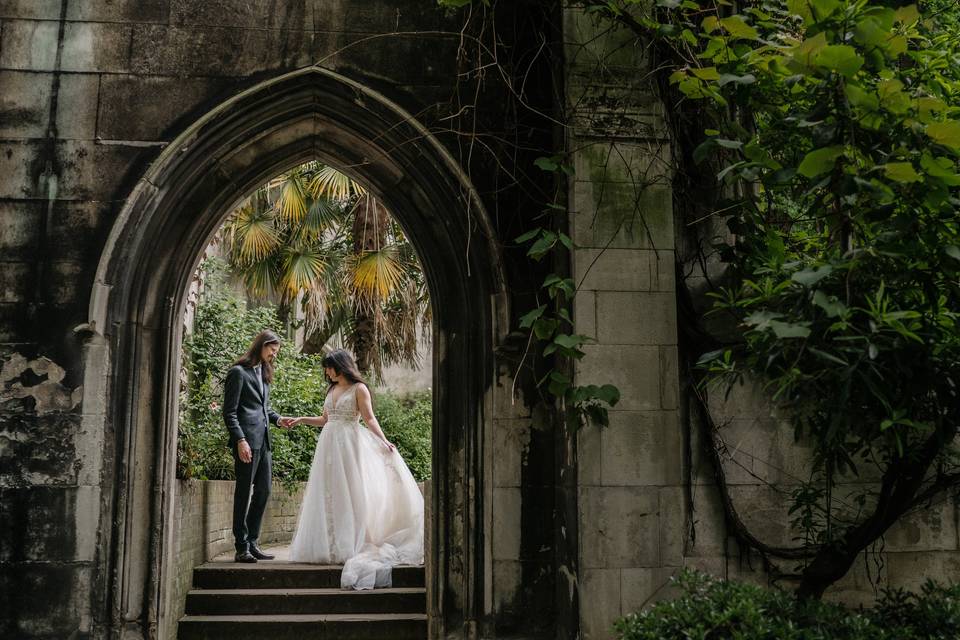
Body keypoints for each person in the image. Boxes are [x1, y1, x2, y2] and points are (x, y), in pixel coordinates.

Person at [288, 349, 424, 589]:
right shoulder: (331, 389)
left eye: (329, 367)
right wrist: (301, 420)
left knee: (349, 491)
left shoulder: (359, 389)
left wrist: (383, 440)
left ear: (341, 366)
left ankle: (350, 542)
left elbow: (369, 418)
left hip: (349, 444)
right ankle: (328, 544)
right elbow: (325, 419)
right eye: (326, 369)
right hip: (329, 445)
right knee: (327, 493)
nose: (327, 372)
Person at [222, 330, 294, 563]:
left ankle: (253, 542)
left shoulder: (263, 372)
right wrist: (240, 440)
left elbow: (264, 408)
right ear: (261, 346)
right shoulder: (238, 373)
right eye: (272, 350)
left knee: (263, 491)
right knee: (243, 493)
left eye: (276, 352)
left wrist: (277, 419)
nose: (274, 355)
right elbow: (230, 413)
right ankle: (241, 546)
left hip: (264, 442)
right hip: (247, 443)